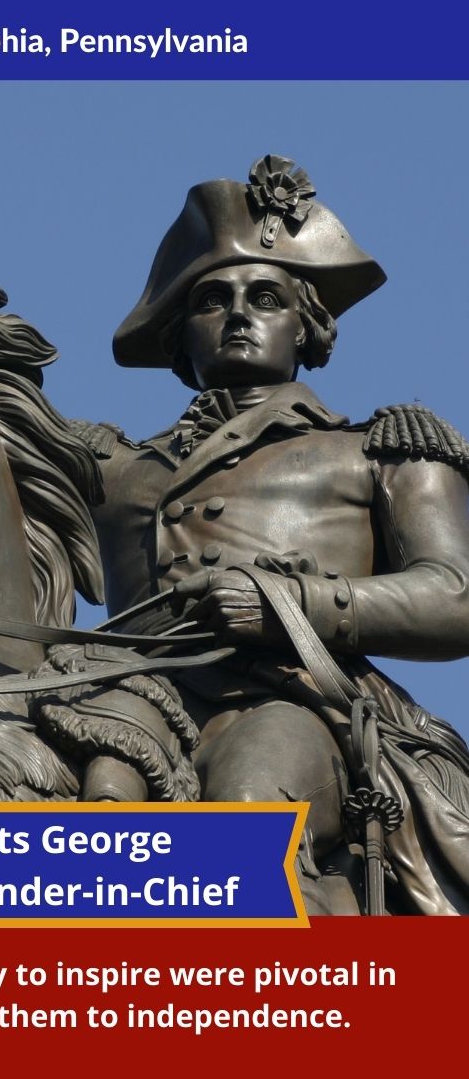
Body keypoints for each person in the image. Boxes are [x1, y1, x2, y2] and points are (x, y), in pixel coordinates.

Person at [71, 155, 469, 914]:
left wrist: (293, 603)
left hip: (288, 702)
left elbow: (455, 598)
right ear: (180, 336)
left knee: (246, 821)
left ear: (306, 323)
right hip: (124, 700)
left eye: (266, 296)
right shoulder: (111, 467)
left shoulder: (383, 449)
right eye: (211, 300)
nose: (239, 313)